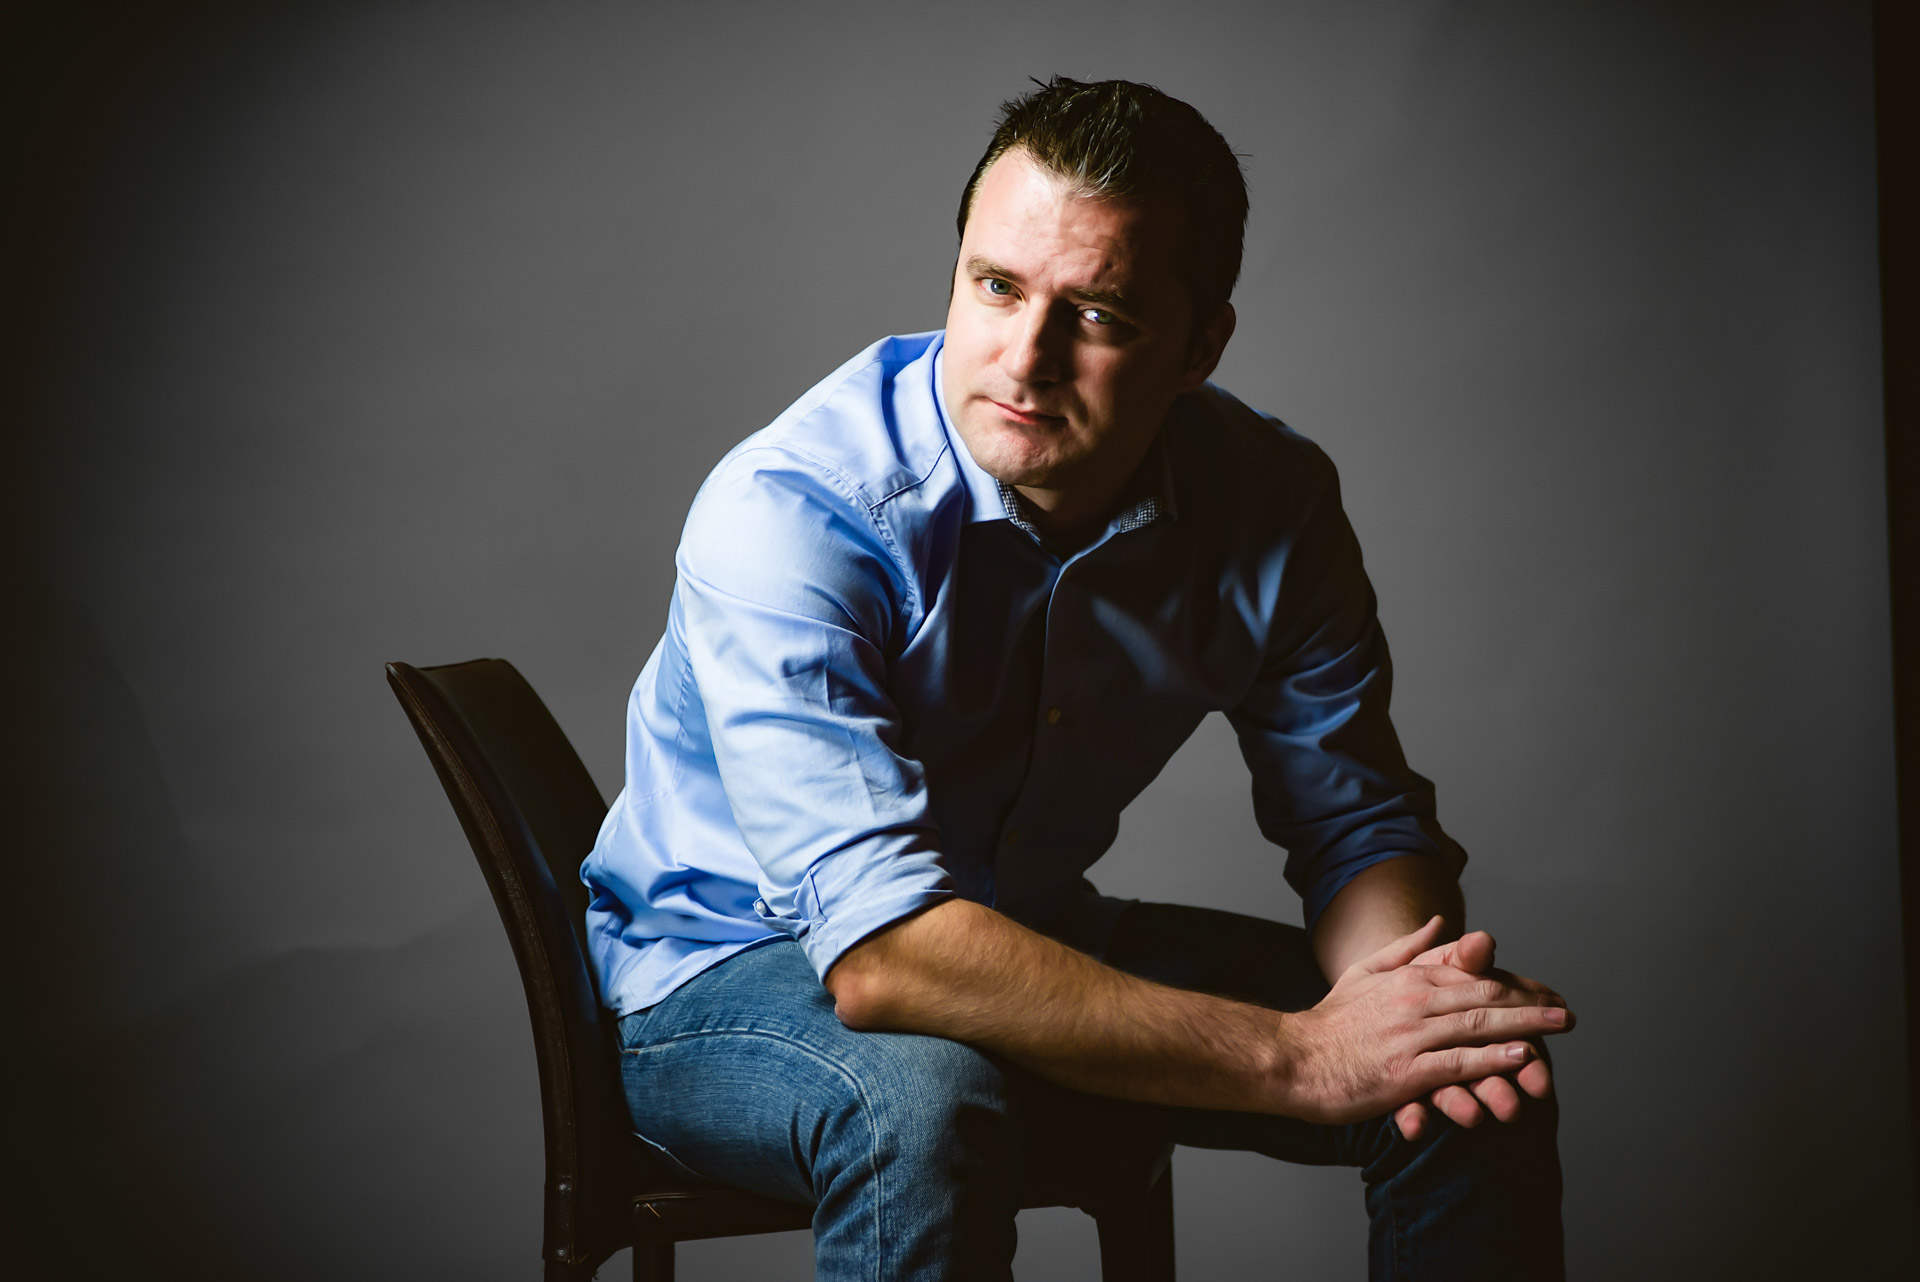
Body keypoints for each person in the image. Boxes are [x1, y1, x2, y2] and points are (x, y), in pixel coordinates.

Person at [582, 76, 1571, 1280]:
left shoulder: (1268, 503)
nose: (1026, 358)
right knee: (921, 1097)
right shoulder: (795, 511)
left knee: (1472, 1063)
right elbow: (884, 953)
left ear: (1201, 347)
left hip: (1024, 932)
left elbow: (1356, 824)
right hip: (725, 975)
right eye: (996, 287)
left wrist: (1404, 1004)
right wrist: (1302, 1058)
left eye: (1097, 315)